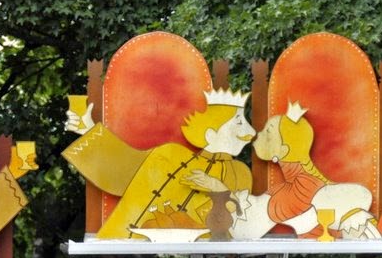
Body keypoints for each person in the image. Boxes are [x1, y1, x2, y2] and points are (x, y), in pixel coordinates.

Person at [63, 89, 254, 239]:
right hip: (125, 235)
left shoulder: (240, 173)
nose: (251, 132)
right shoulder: (170, 153)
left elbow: (232, 224)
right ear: (210, 133)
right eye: (239, 122)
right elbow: (123, 173)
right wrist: (88, 130)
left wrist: (218, 188)